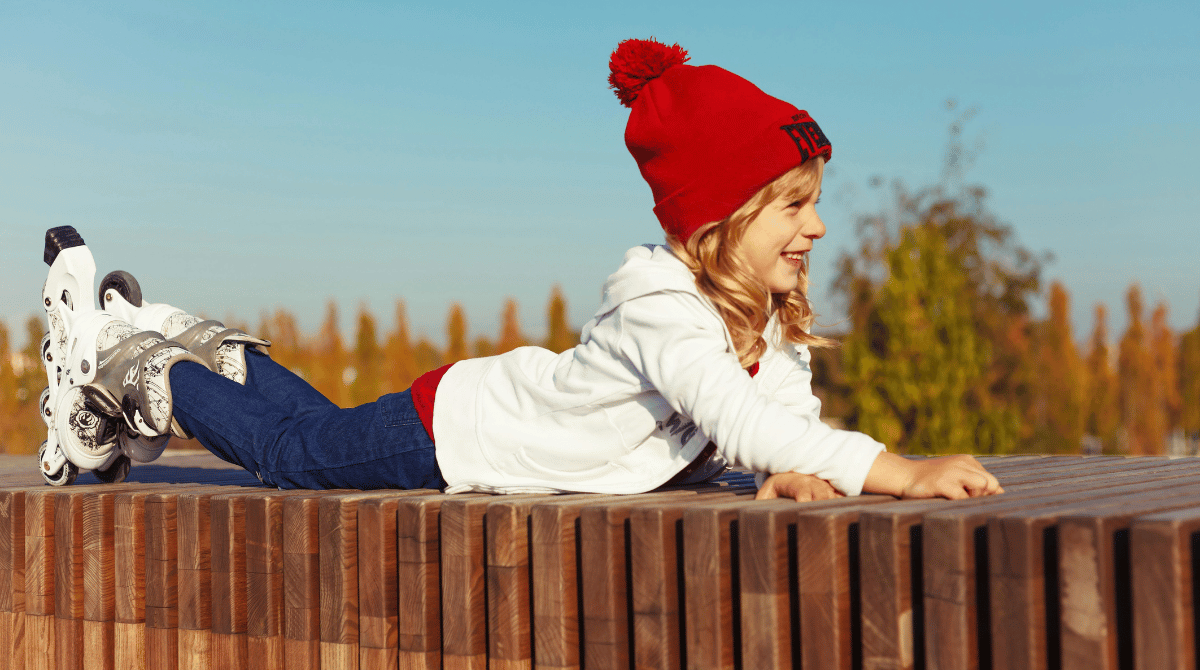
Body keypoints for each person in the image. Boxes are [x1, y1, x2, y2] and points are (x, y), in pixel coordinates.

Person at [57, 38, 1002, 501]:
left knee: (315, 427)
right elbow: (739, 418)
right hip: (458, 435)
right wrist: (897, 471)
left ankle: (217, 352)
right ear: (722, 220)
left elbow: (781, 418)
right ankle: (155, 372)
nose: (819, 226)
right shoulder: (664, 308)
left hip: (487, 426)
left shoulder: (761, 308)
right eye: (794, 206)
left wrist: (800, 467)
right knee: (299, 457)